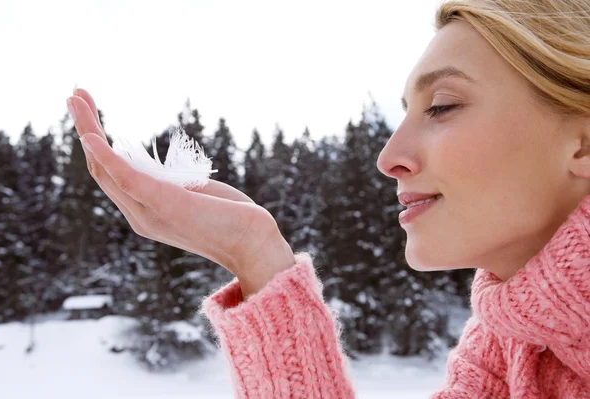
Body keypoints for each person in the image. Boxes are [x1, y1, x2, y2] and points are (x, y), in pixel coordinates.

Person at [66, 0, 590, 397]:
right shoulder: (511, 348)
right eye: (403, 111)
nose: (388, 158)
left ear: (583, 143)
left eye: (442, 106)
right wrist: (257, 256)